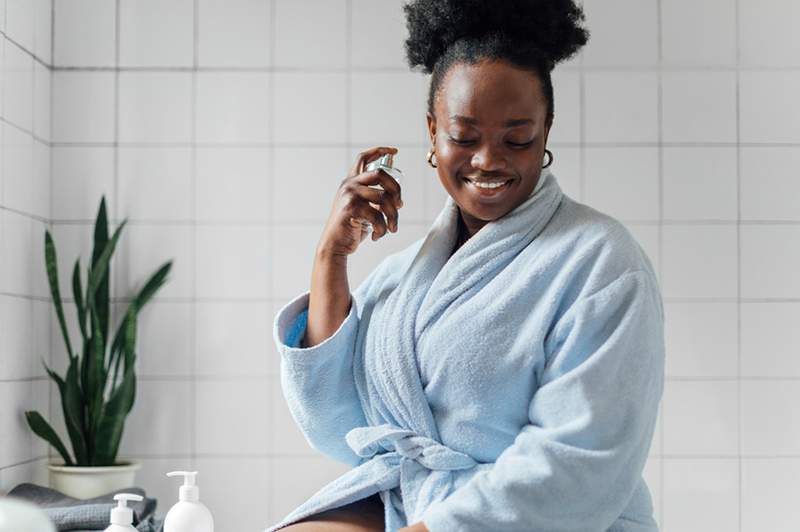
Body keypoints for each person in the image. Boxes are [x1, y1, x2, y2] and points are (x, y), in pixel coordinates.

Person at [267, 1, 665, 531]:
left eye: (517, 138)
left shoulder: (601, 262)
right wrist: (330, 258)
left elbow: (579, 461)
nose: (488, 161)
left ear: (546, 132)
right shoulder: (404, 276)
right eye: (464, 136)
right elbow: (337, 427)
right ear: (432, 133)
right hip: (415, 502)